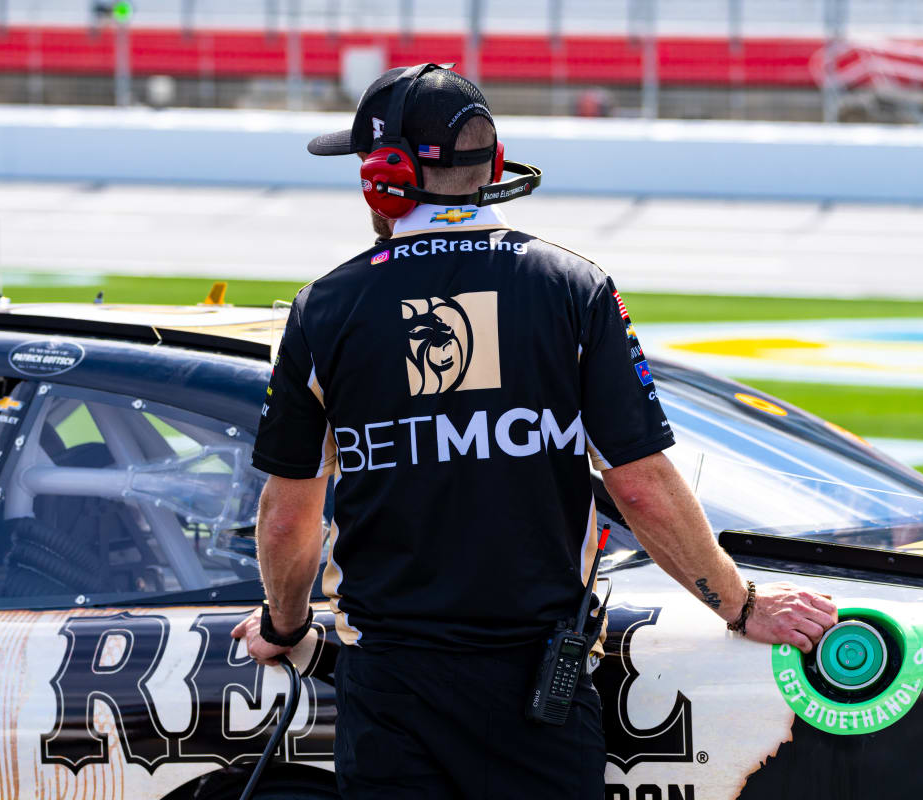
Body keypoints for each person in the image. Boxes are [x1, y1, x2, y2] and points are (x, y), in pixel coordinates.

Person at [231, 63, 838, 799]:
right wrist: (740, 605)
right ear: (494, 166)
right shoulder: (574, 288)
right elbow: (641, 487)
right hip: (538, 688)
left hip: (390, 689)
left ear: (381, 178)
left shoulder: (323, 309)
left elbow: (287, 518)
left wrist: (286, 627)